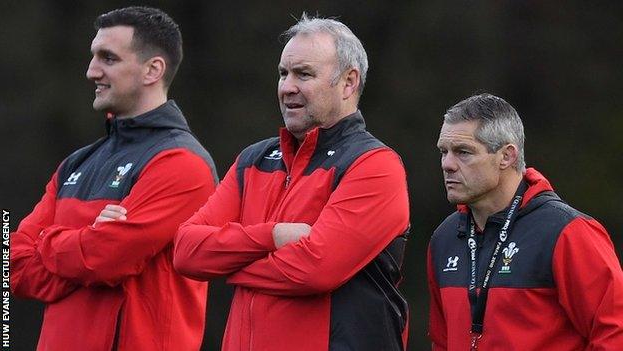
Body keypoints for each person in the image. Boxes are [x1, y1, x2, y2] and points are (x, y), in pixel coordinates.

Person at [173, 14, 410, 351]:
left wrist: (230, 265)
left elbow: (316, 270)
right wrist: (273, 236)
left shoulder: (374, 165)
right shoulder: (252, 159)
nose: (287, 87)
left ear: (348, 82)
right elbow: (186, 252)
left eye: (304, 74)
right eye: (283, 74)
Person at [10, 6, 218, 351]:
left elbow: (103, 260)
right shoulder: (74, 164)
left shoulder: (182, 164)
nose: (92, 71)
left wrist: (47, 240)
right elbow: (13, 266)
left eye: (108, 58)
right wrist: (86, 237)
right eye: (93, 57)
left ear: (153, 70)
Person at [428, 93, 623, 350]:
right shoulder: (445, 237)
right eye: (444, 152)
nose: (447, 164)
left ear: (507, 156)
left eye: (463, 152)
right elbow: (442, 341)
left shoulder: (567, 232)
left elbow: (615, 332)